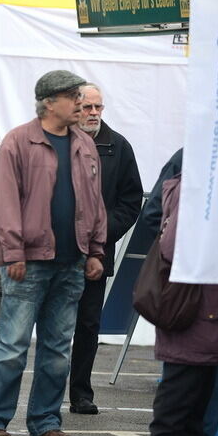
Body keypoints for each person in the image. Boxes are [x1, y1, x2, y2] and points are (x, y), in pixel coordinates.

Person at [0, 70, 106, 436]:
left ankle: (45, 421)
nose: (81, 104)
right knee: (13, 346)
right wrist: (13, 251)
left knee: (58, 350)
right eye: (74, 97)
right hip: (27, 263)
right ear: (50, 102)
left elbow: (94, 203)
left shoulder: (84, 144)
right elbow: (4, 202)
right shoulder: (19, 141)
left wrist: (95, 250)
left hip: (72, 262)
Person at [146, 174, 218, 436]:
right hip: (196, 301)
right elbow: (174, 246)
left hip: (217, 302)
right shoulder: (197, 188)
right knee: (184, 379)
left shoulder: (214, 188)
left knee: (204, 381)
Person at [69, 83, 142, 415]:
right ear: (74, 108)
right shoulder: (55, 142)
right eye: (87, 107)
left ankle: (80, 393)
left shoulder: (118, 146)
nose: (94, 113)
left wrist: (104, 231)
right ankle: (45, 391)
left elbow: (131, 201)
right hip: (54, 251)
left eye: (98, 107)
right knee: (50, 323)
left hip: (96, 253)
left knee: (87, 324)